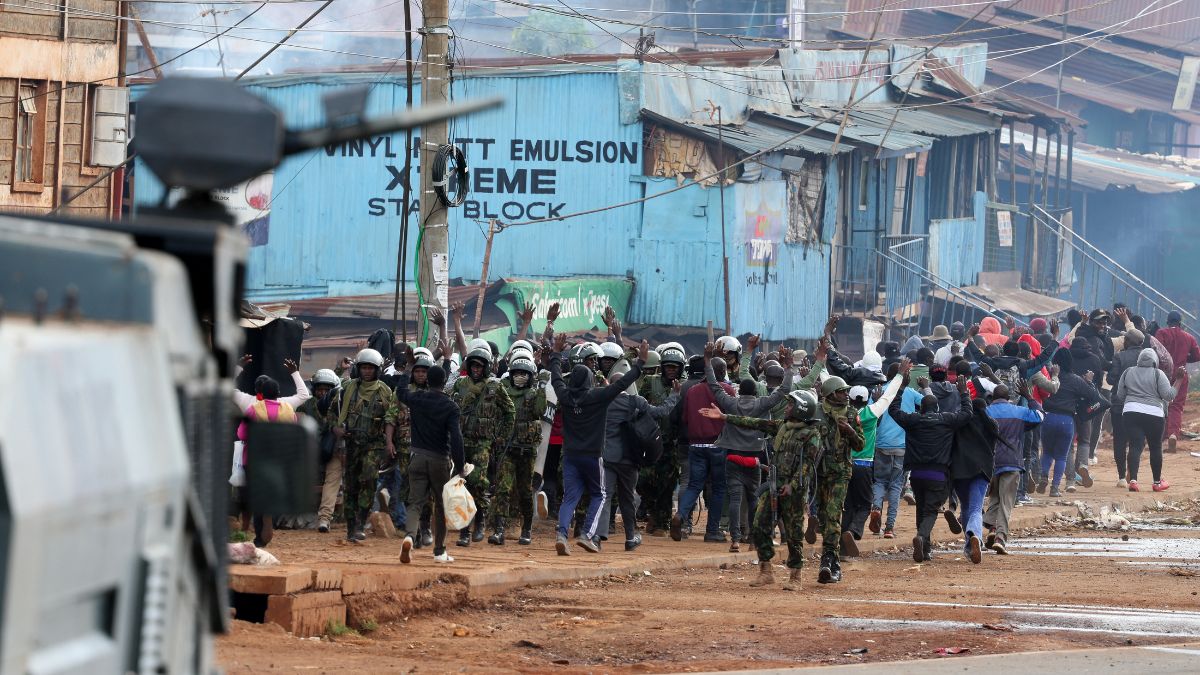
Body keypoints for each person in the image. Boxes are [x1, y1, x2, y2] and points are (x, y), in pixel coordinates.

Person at [701, 389, 827, 590]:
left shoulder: (811, 435)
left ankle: (796, 577)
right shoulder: (783, 427)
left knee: (794, 534)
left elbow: (807, 467)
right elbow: (754, 423)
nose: (786, 408)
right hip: (775, 484)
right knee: (759, 525)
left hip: (794, 490)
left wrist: (792, 486)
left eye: (790, 405)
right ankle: (766, 571)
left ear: (801, 409)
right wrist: (724, 417)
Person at [549, 335, 647, 554]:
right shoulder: (598, 396)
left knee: (570, 497)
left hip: (570, 455)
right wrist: (639, 363)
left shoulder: (564, 396)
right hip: (593, 456)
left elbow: (556, 378)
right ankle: (587, 535)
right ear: (590, 381)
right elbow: (622, 383)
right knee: (599, 494)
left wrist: (556, 354)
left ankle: (562, 535)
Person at [703, 341, 804, 552]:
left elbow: (713, 386)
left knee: (734, 498)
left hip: (732, 456)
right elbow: (784, 390)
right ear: (755, 393)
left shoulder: (731, 403)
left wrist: (707, 361)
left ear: (740, 393)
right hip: (755, 458)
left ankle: (735, 540)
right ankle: (752, 537)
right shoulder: (762, 403)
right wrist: (788, 368)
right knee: (753, 498)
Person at [887, 377, 974, 563]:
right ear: (937, 409)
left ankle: (925, 550)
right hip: (938, 474)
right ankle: (921, 537)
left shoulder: (913, 420)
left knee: (921, 509)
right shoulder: (946, 420)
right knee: (931, 511)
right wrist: (963, 392)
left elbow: (893, 411)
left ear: (921, 408)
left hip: (916, 475)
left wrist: (901, 387)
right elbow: (967, 413)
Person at [598, 359, 679, 551]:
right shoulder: (635, 402)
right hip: (630, 459)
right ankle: (630, 537)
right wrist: (675, 395)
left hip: (608, 457)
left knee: (605, 497)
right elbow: (661, 412)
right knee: (627, 499)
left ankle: (597, 537)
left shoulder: (603, 403)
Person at [392, 361, 466, 564]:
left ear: (427, 380)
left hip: (416, 457)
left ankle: (409, 536)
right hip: (439, 460)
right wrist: (460, 467)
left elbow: (400, 392)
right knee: (441, 506)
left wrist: (407, 370)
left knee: (415, 502)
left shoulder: (417, 398)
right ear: (443, 382)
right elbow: (457, 438)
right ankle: (439, 551)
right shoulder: (451, 406)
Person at [449, 345, 515, 546]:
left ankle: (480, 519)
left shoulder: (495, 387)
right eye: (473, 366)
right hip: (461, 442)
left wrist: (501, 437)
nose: (476, 369)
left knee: (477, 482)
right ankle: (463, 531)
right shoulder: (460, 384)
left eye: (479, 366)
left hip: (483, 443)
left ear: (486, 367)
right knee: (459, 484)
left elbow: (510, 412)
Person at [670, 353, 736, 543]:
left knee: (693, 485)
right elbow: (733, 418)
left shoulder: (692, 391)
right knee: (718, 488)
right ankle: (712, 530)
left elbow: (685, 419)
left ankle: (681, 515)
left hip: (695, 445)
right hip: (718, 445)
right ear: (722, 372)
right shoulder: (727, 390)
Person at [842, 361, 906, 557]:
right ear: (867, 398)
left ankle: (842, 543)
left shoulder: (842, 414)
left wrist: (822, 366)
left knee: (849, 504)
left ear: (849, 398)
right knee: (864, 505)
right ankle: (853, 532)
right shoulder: (872, 412)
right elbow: (888, 396)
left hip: (845, 465)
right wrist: (900, 376)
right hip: (864, 465)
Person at [331, 349, 395, 543]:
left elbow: (390, 417)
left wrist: (389, 441)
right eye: (364, 367)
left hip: (373, 444)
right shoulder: (347, 389)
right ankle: (351, 526)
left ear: (377, 370)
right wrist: (337, 429)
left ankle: (360, 522)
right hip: (351, 444)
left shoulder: (384, 391)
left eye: (370, 368)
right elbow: (332, 412)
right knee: (351, 486)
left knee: (369, 480)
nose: (367, 371)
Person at [813, 374, 866, 583]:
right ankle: (833, 562)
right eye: (842, 391)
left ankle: (827, 560)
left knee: (834, 515)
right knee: (825, 519)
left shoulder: (852, 414)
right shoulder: (816, 412)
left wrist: (851, 432)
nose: (846, 394)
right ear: (830, 394)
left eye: (846, 391)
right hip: (819, 473)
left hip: (840, 473)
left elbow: (860, 445)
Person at [492, 352, 548, 545]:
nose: (520, 376)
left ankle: (526, 529)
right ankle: (499, 529)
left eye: (524, 373)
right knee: (503, 488)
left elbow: (540, 411)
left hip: (527, 450)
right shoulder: (504, 391)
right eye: (517, 373)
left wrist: (541, 386)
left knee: (525, 491)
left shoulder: (533, 394)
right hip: (508, 449)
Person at [236, 375, 298, 547]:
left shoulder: (254, 409)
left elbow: (241, 434)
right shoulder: (288, 409)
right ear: (278, 393)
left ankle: (259, 536)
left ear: (261, 393)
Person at [983, 384, 1044, 554]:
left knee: (995, 498)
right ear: (1008, 397)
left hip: (991, 462)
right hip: (1012, 461)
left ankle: (992, 527)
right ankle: (1000, 537)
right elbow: (1039, 416)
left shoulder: (986, 412)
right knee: (1006, 502)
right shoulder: (1018, 411)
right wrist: (1030, 397)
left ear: (993, 398)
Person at [1038, 349, 1105, 497]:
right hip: (1066, 420)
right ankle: (1055, 488)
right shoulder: (1076, 380)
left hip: (1047, 418)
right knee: (1062, 456)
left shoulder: (1048, 377)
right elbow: (1093, 396)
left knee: (1047, 452)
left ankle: (1043, 477)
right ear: (1070, 362)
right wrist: (1088, 382)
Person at [1116, 349, 1182, 492]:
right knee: (1155, 447)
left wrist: (1134, 398)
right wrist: (1179, 379)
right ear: (1154, 361)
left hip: (1131, 412)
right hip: (1154, 414)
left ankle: (1133, 481)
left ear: (1139, 360)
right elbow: (1169, 395)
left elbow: (1120, 395)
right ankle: (1157, 483)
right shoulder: (1159, 374)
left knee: (1134, 445)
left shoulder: (1128, 372)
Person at [870, 362, 923, 539]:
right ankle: (889, 528)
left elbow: (871, 413)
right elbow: (929, 404)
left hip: (881, 445)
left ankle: (876, 507)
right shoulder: (909, 392)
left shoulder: (879, 390)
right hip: (902, 446)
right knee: (895, 486)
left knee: (879, 482)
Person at [639, 342, 687, 536]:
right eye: (668, 367)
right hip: (651, 441)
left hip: (672, 444)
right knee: (643, 481)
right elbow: (640, 405)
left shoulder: (685, 386)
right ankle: (651, 511)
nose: (670, 371)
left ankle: (662, 522)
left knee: (667, 485)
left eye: (674, 367)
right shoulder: (651, 381)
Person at [951, 391, 1003, 565]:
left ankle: (969, 543)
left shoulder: (961, 424)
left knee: (966, 507)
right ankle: (974, 536)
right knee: (975, 508)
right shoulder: (992, 425)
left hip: (959, 471)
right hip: (981, 471)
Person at [298, 368, 342, 533]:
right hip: (308, 451)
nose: (323, 392)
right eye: (320, 389)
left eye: (327, 390)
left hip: (332, 450)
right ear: (314, 389)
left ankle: (324, 518)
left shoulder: (339, 404)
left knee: (333, 478)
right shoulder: (306, 405)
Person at [1154, 311, 1199, 453]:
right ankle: (1173, 434)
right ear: (1180, 323)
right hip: (1181, 374)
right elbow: (1197, 355)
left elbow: (1156, 352)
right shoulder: (1189, 337)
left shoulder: (1161, 333)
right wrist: (1185, 359)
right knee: (1177, 406)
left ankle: (1158, 436)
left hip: (1163, 373)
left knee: (1160, 404)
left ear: (1168, 322)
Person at [1107, 329, 1146, 487]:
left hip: (1120, 405)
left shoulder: (1119, 356)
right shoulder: (1149, 357)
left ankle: (1122, 477)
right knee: (1138, 441)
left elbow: (1110, 380)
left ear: (1127, 342)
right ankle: (1133, 470)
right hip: (1142, 405)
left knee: (1120, 441)